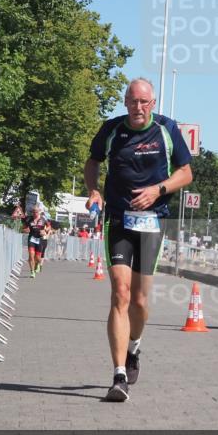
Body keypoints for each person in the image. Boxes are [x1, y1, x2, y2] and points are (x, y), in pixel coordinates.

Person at [85, 78, 193, 402]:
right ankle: (119, 375)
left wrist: (158, 190)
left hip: (151, 222)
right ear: (125, 102)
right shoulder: (112, 130)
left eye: (144, 102)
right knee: (120, 293)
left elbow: (186, 172)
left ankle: (134, 347)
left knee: (140, 302)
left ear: (153, 103)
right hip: (118, 219)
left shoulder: (167, 129)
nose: (138, 108)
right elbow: (93, 162)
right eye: (133, 102)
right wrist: (93, 189)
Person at [22, 204, 49, 278]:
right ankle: (32, 272)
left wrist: (45, 230)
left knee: (38, 258)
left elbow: (49, 227)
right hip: (31, 239)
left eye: (36, 212)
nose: (35, 213)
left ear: (39, 212)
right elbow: (23, 228)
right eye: (33, 212)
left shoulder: (43, 219)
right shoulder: (28, 219)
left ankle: (38, 264)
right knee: (31, 255)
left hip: (40, 239)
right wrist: (25, 230)